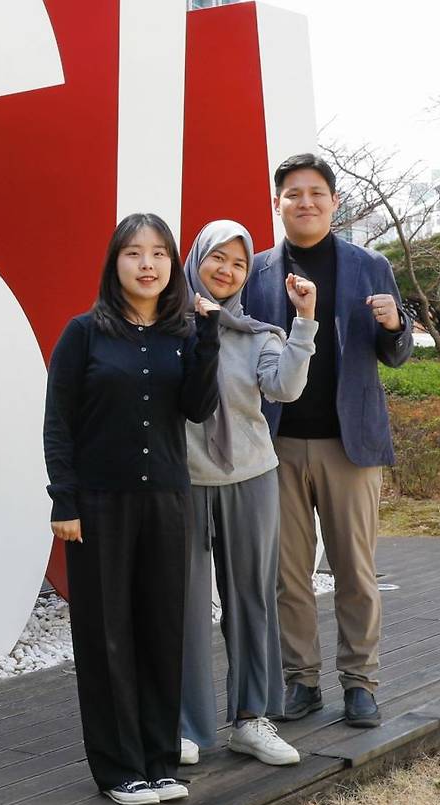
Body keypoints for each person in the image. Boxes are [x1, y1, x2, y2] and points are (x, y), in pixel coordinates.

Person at [44, 213, 220, 805]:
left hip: (166, 501)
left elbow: (198, 408)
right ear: (114, 263)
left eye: (159, 254)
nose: (147, 264)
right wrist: (64, 499)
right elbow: (58, 423)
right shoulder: (83, 334)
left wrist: (209, 337)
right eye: (134, 253)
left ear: (172, 265)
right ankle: (119, 769)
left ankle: (159, 761)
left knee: (161, 631)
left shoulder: (184, 334)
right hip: (98, 506)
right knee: (106, 637)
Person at [243, 154, 414, 728]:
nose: (306, 202)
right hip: (277, 445)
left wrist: (395, 324)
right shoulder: (258, 273)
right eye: (293, 193)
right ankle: (302, 680)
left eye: (317, 192)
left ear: (334, 202)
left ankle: (361, 682)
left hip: (350, 444)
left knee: (354, 570)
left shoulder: (369, 266)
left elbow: (396, 355)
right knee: (287, 574)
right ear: (277, 203)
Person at [180, 220, 317, 767]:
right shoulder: (166, 328)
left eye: (238, 263)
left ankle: (251, 718)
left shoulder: (260, 334)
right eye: (217, 257)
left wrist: (303, 321)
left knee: (251, 599)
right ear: (196, 259)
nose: (227, 270)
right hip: (184, 481)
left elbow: (285, 387)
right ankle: (185, 724)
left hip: (251, 477)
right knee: (185, 604)